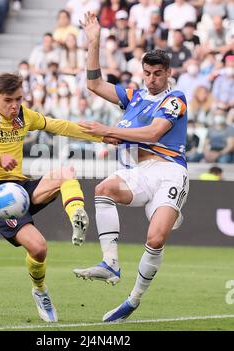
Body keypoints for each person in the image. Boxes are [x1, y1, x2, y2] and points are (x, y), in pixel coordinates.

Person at [0, 72, 117, 323]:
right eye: (8, 100)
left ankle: (77, 217)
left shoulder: (23, 116)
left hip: (19, 186)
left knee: (66, 173)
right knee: (38, 248)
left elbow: (58, 125)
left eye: (18, 99)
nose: (14, 106)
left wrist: (101, 135)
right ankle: (40, 291)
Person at [73, 12, 189, 323]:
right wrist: (94, 41)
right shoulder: (134, 96)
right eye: (147, 73)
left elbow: (153, 134)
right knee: (103, 189)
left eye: (157, 74)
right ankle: (110, 263)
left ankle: (133, 300)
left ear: (168, 73)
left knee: (155, 240)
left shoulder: (176, 99)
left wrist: (107, 131)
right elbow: (94, 83)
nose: (151, 79)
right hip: (140, 173)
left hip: (169, 172)